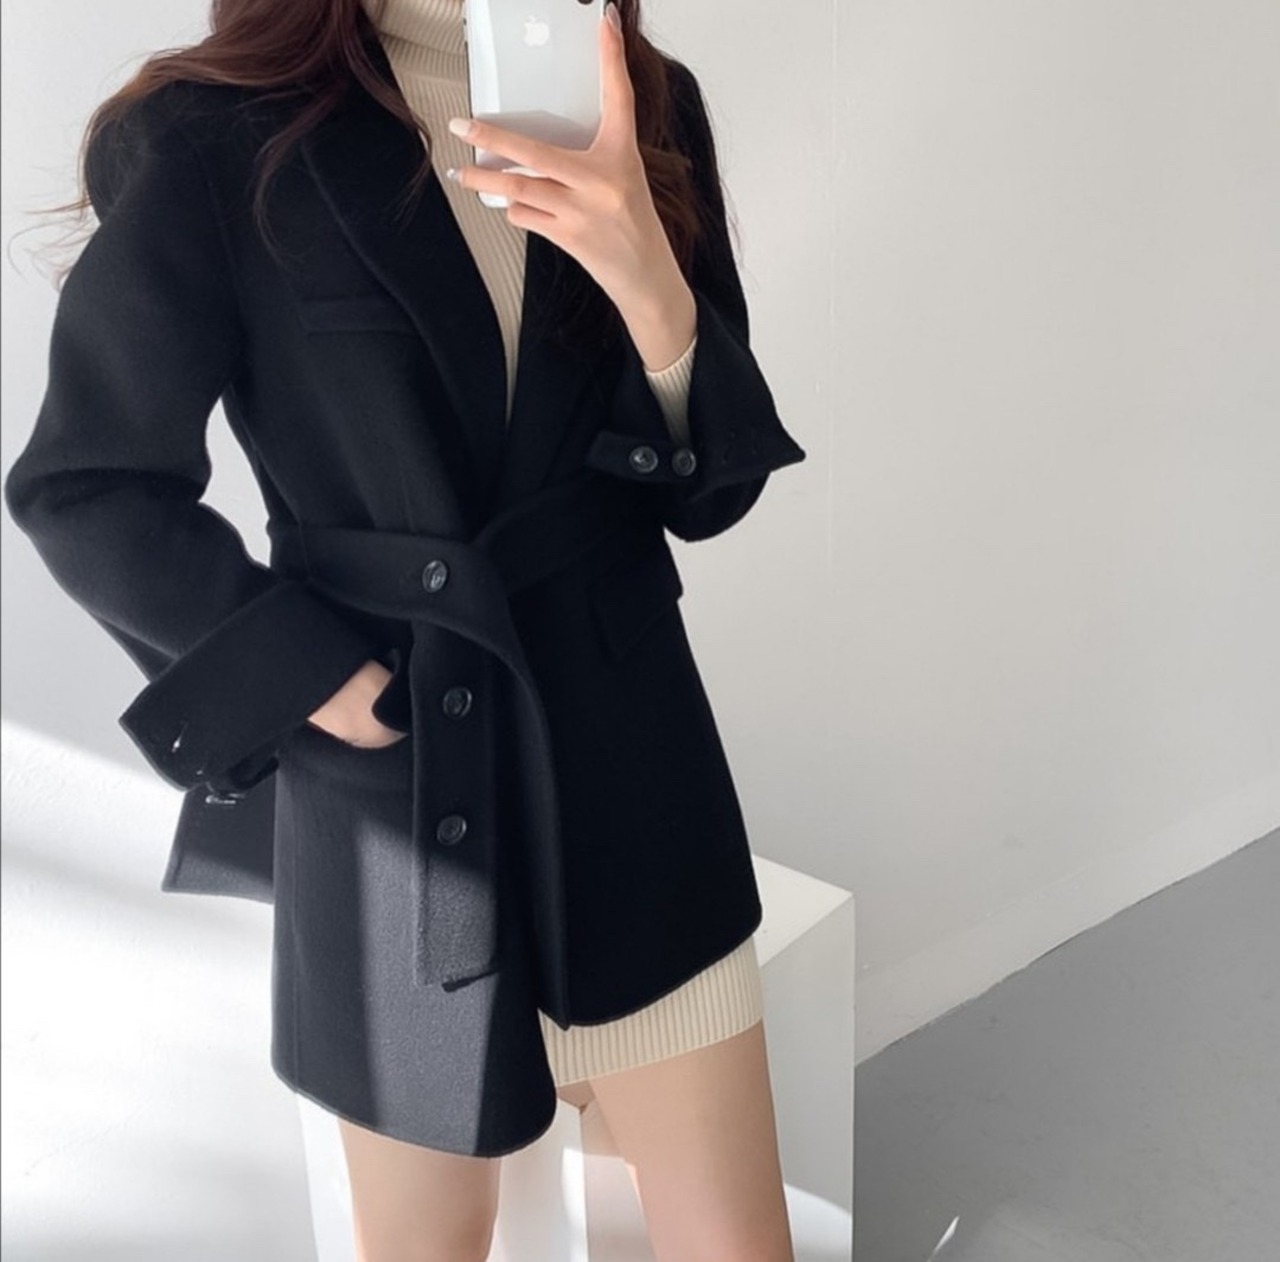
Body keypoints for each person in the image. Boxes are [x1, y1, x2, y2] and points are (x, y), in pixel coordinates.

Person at [4, 0, 807, 1257]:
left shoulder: (637, 95)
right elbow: (87, 484)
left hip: (630, 764)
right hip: (397, 796)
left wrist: (646, 276)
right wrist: (312, 679)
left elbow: (707, 496)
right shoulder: (217, 131)